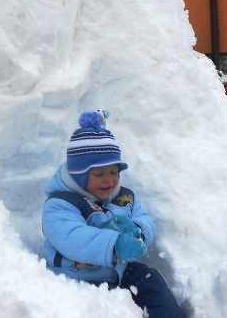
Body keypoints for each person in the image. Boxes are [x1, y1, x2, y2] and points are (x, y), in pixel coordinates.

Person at [42, 111, 186, 318]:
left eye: (114, 172)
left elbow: (145, 218)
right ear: (79, 176)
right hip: (78, 278)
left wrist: (136, 231)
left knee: (151, 280)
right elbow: (71, 237)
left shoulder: (123, 197)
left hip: (120, 271)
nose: (108, 180)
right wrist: (116, 244)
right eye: (99, 174)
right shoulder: (61, 204)